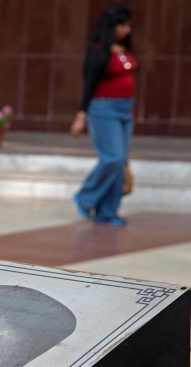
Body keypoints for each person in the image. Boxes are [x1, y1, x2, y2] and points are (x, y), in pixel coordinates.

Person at [70, 4, 136, 226]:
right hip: (103, 109)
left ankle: (107, 212)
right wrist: (81, 114)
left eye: (128, 25)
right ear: (111, 26)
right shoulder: (99, 50)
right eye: (122, 25)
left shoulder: (124, 49)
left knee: (120, 162)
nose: (126, 30)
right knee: (113, 158)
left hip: (125, 110)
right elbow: (88, 85)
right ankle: (85, 197)